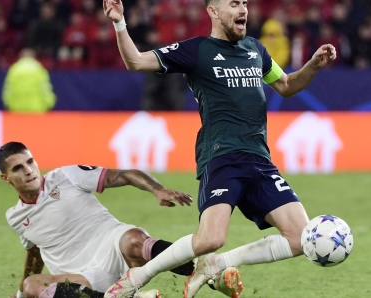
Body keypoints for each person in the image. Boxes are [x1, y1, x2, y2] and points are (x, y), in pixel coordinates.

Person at [103, 0, 337, 296]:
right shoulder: (196, 50)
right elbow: (135, 61)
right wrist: (119, 23)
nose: (243, 10)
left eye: (245, 3)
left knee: (301, 238)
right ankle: (137, 278)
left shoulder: (256, 49)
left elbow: (287, 85)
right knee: (209, 239)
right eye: (234, 4)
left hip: (260, 160)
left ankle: (216, 265)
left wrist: (313, 64)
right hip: (222, 156)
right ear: (213, 11)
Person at [0, 142, 195, 298]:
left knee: (135, 240)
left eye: (30, 162)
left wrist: (157, 189)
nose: (28, 170)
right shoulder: (15, 217)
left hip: (111, 245)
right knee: (32, 285)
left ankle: (203, 270)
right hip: (80, 278)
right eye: (18, 168)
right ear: (6, 178)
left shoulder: (67, 175)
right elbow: (34, 252)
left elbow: (126, 175)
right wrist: (22, 293)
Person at [2, 48, 57, 113]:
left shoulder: (14, 70)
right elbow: (45, 89)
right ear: (34, 57)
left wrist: (8, 104)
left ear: (20, 57)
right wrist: (50, 103)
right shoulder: (39, 69)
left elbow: (8, 90)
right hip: (36, 108)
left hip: (17, 109)